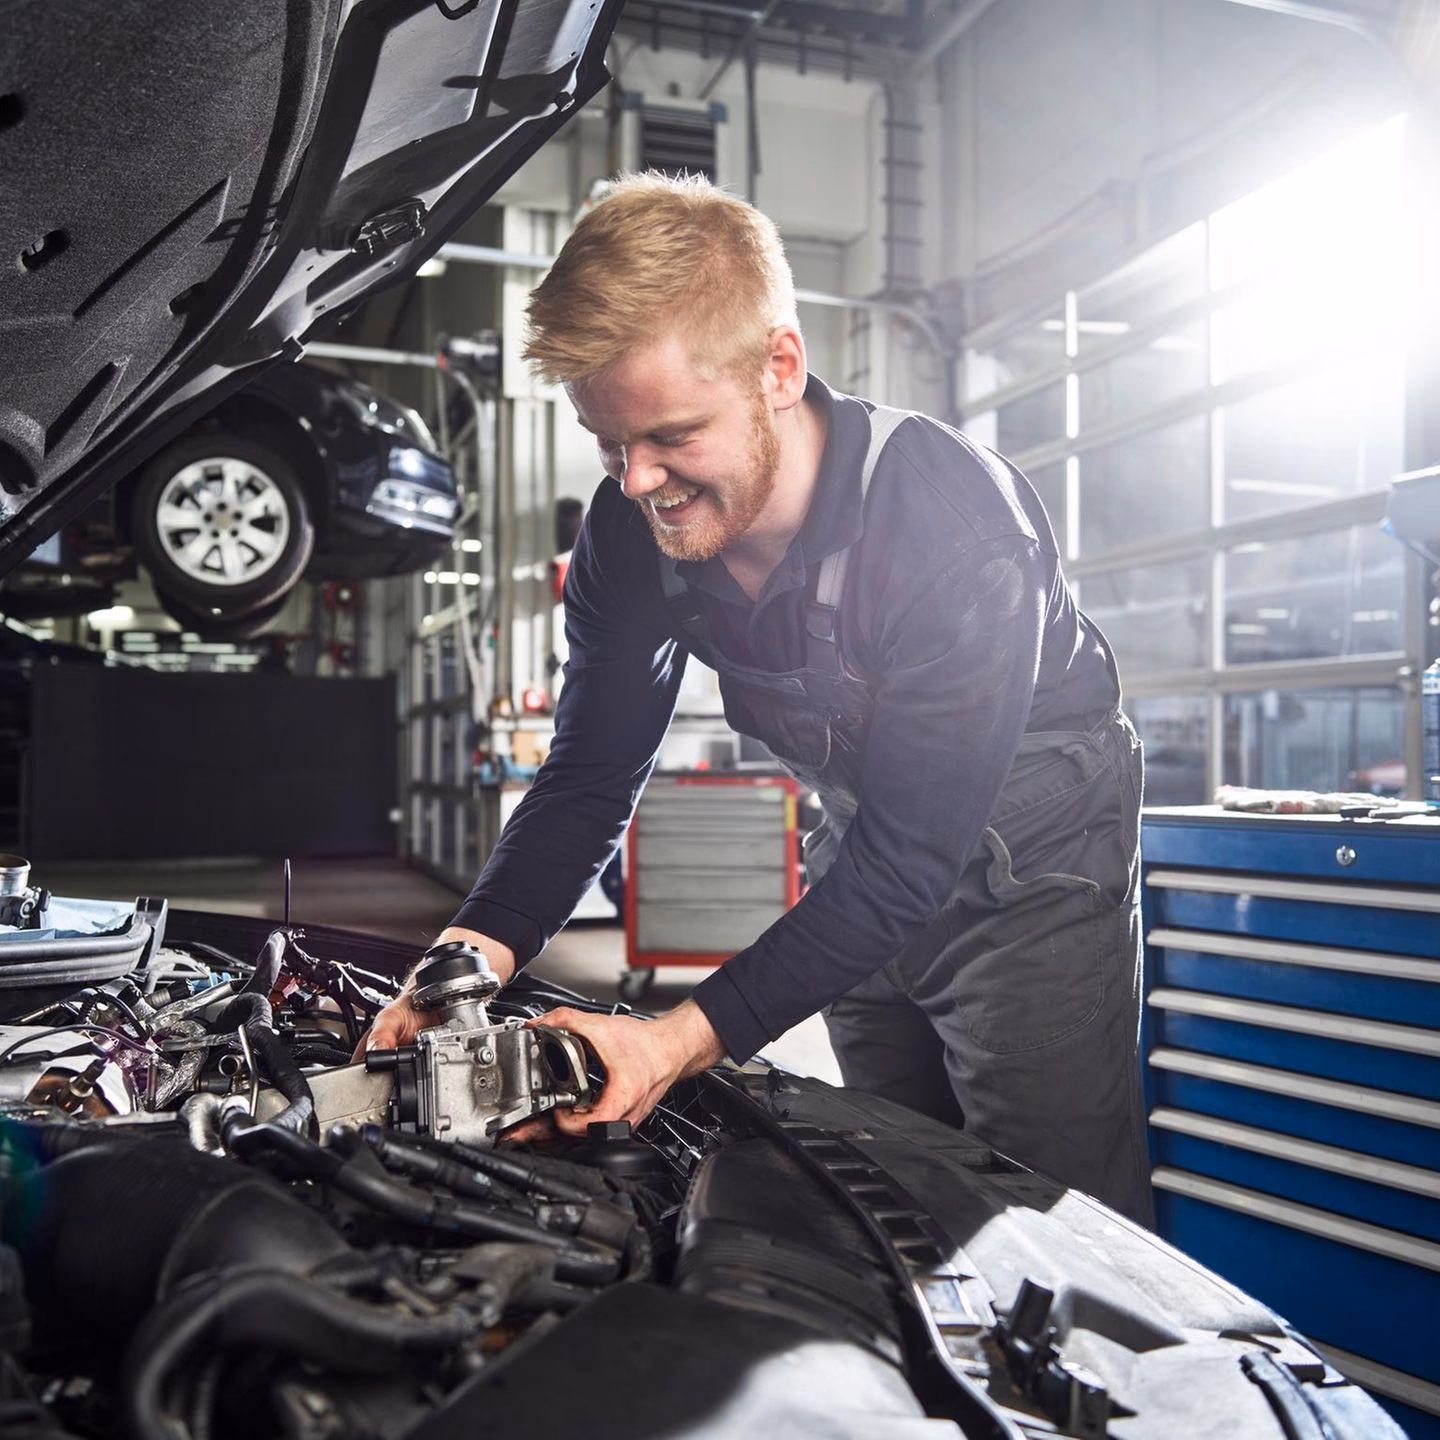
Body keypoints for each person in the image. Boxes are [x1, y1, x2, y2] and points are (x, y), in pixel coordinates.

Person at [363, 173, 1152, 1224]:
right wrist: (465, 955)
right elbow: (592, 778)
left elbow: (918, 857)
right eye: (610, 444)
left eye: (673, 436)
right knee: (894, 1186)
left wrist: (669, 1043)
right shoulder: (629, 537)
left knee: (1052, 1220)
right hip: (865, 848)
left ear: (779, 367)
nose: (637, 482)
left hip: (1037, 869)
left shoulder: (952, 531)